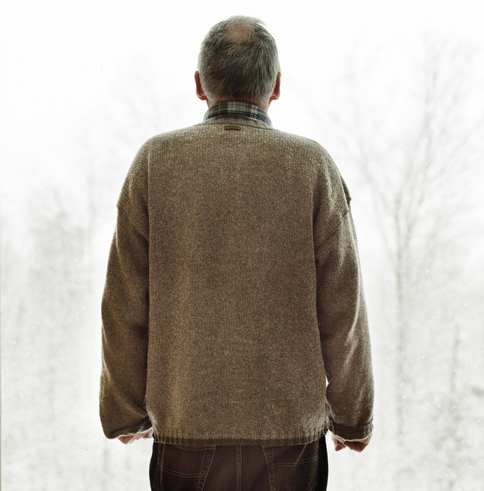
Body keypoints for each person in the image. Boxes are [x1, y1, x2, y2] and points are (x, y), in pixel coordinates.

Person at [99, 15, 374, 490]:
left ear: (200, 85)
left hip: (186, 430)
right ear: (278, 86)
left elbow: (124, 305)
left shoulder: (155, 162)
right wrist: (353, 416)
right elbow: (341, 312)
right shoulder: (311, 166)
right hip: (291, 439)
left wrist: (124, 412)